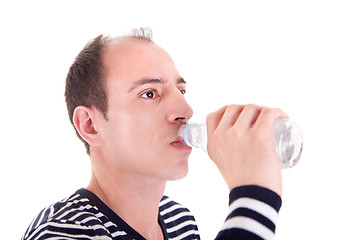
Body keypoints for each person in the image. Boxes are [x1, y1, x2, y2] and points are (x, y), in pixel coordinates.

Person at [22, 28, 287, 240]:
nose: (186, 110)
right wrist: (254, 196)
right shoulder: (61, 233)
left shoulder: (179, 219)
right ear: (90, 125)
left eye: (181, 91)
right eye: (149, 93)